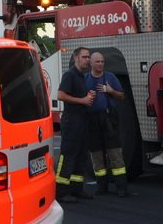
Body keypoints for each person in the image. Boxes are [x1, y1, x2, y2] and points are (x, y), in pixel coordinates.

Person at [85, 51, 133, 197]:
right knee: (97, 156)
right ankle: (101, 187)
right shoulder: (85, 79)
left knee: (115, 154)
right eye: (97, 62)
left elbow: (122, 95)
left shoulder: (110, 77)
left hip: (109, 120)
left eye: (102, 62)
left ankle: (121, 187)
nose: (100, 64)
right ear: (91, 63)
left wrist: (111, 91)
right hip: (92, 121)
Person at [54, 46, 94, 203]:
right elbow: (61, 95)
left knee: (81, 156)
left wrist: (88, 96)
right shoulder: (70, 75)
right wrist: (82, 100)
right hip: (72, 123)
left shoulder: (82, 76)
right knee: (68, 156)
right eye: (84, 57)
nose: (87, 60)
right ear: (76, 58)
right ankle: (62, 191)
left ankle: (77, 189)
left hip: (82, 122)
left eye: (88, 57)